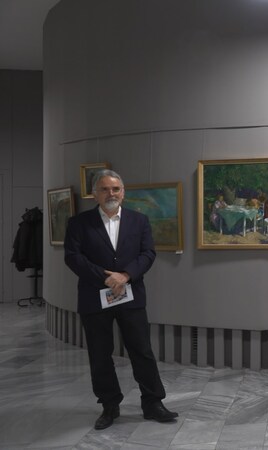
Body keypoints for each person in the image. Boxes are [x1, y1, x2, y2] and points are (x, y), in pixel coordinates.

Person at [64, 170, 178, 430]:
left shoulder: (139, 221)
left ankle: (153, 403)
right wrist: (106, 278)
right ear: (95, 194)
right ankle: (109, 405)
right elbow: (73, 257)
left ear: (123, 193)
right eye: (104, 189)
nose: (111, 194)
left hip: (130, 296)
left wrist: (125, 275)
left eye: (115, 189)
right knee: (100, 354)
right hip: (94, 298)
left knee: (142, 351)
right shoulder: (79, 223)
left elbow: (148, 253)